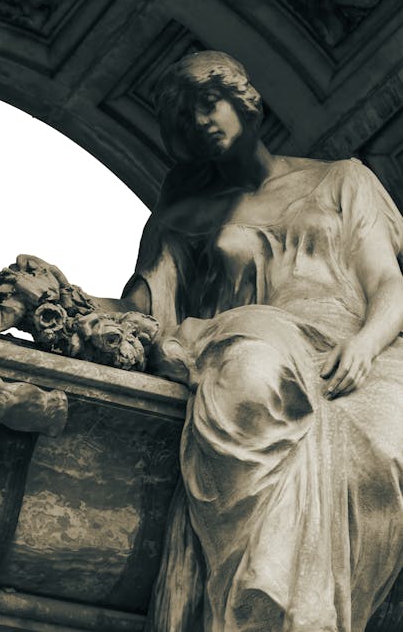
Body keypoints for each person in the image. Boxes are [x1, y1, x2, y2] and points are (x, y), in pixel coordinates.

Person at [120, 51, 403, 632]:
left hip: (358, 350)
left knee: (387, 447)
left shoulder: (342, 178)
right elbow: (140, 313)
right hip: (259, 335)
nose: (201, 120)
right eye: (184, 116)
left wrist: (367, 344)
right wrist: (49, 299)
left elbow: (388, 283)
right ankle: (263, 606)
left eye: (209, 101)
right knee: (249, 376)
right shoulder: (189, 215)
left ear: (244, 100)